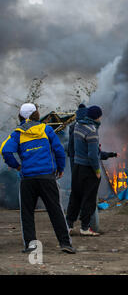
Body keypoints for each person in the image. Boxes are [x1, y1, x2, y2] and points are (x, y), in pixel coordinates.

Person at [0, 103, 75, 254]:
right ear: (36, 114)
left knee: (27, 213)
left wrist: (17, 166)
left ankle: (31, 245)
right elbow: (59, 151)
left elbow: (5, 150)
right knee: (56, 211)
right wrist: (60, 168)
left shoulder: (18, 133)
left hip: (28, 179)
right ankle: (65, 244)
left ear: (21, 116)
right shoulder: (46, 129)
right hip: (47, 177)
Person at [66, 105, 104, 236]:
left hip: (77, 167)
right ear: (97, 116)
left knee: (75, 196)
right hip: (88, 169)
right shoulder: (92, 130)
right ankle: (85, 227)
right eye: (100, 116)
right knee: (89, 198)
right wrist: (97, 171)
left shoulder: (77, 126)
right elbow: (92, 155)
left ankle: (69, 225)